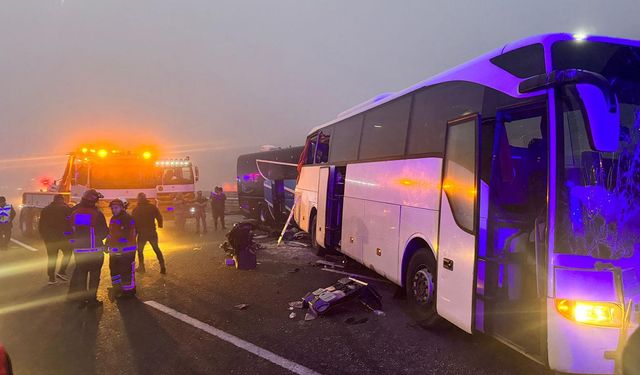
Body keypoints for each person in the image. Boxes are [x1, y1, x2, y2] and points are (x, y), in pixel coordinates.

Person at [68, 189, 108, 309]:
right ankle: (92, 301)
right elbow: (104, 231)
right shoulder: (97, 214)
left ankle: (81, 301)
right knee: (94, 277)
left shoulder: (75, 213)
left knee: (81, 276)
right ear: (93, 201)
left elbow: (70, 230)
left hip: (79, 252)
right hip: (95, 251)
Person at [106, 199, 137, 300]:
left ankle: (129, 291)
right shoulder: (113, 218)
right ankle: (117, 288)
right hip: (115, 250)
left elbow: (127, 234)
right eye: (112, 208)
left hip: (126, 251)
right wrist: (107, 243)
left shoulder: (127, 218)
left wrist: (120, 246)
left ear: (122, 208)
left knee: (126, 270)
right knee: (114, 269)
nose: (114, 210)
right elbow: (111, 233)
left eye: (116, 208)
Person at [38, 194, 73, 285]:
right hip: (62, 238)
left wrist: (43, 235)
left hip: (50, 239)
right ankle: (61, 270)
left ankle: (51, 278)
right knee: (68, 253)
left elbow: (41, 224)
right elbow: (70, 222)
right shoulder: (65, 209)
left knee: (52, 258)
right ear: (62, 200)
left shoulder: (45, 209)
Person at [132, 192, 166, 274]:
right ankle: (162, 266)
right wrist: (160, 225)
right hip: (152, 232)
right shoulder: (152, 207)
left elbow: (134, 222)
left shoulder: (136, 209)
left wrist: (134, 234)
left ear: (138, 199)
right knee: (156, 248)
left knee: (140, 251)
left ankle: (142, 267)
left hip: (142, 234)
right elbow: (159, 216)